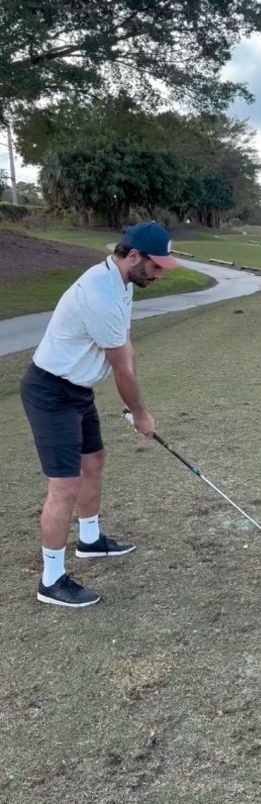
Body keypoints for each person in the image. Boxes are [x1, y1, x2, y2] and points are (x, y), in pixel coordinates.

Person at [20, 221, 179, 608]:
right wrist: (140, 413)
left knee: (93, 461)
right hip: (51, 391)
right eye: (156, 266)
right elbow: (121, 368)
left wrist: (135, 401)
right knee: (64, 486)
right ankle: (51, 581)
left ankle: (89, 540)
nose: (159, 275)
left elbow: (125, 346)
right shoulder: (101, 295)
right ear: (133, 256)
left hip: (78, 389)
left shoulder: (122, 282)